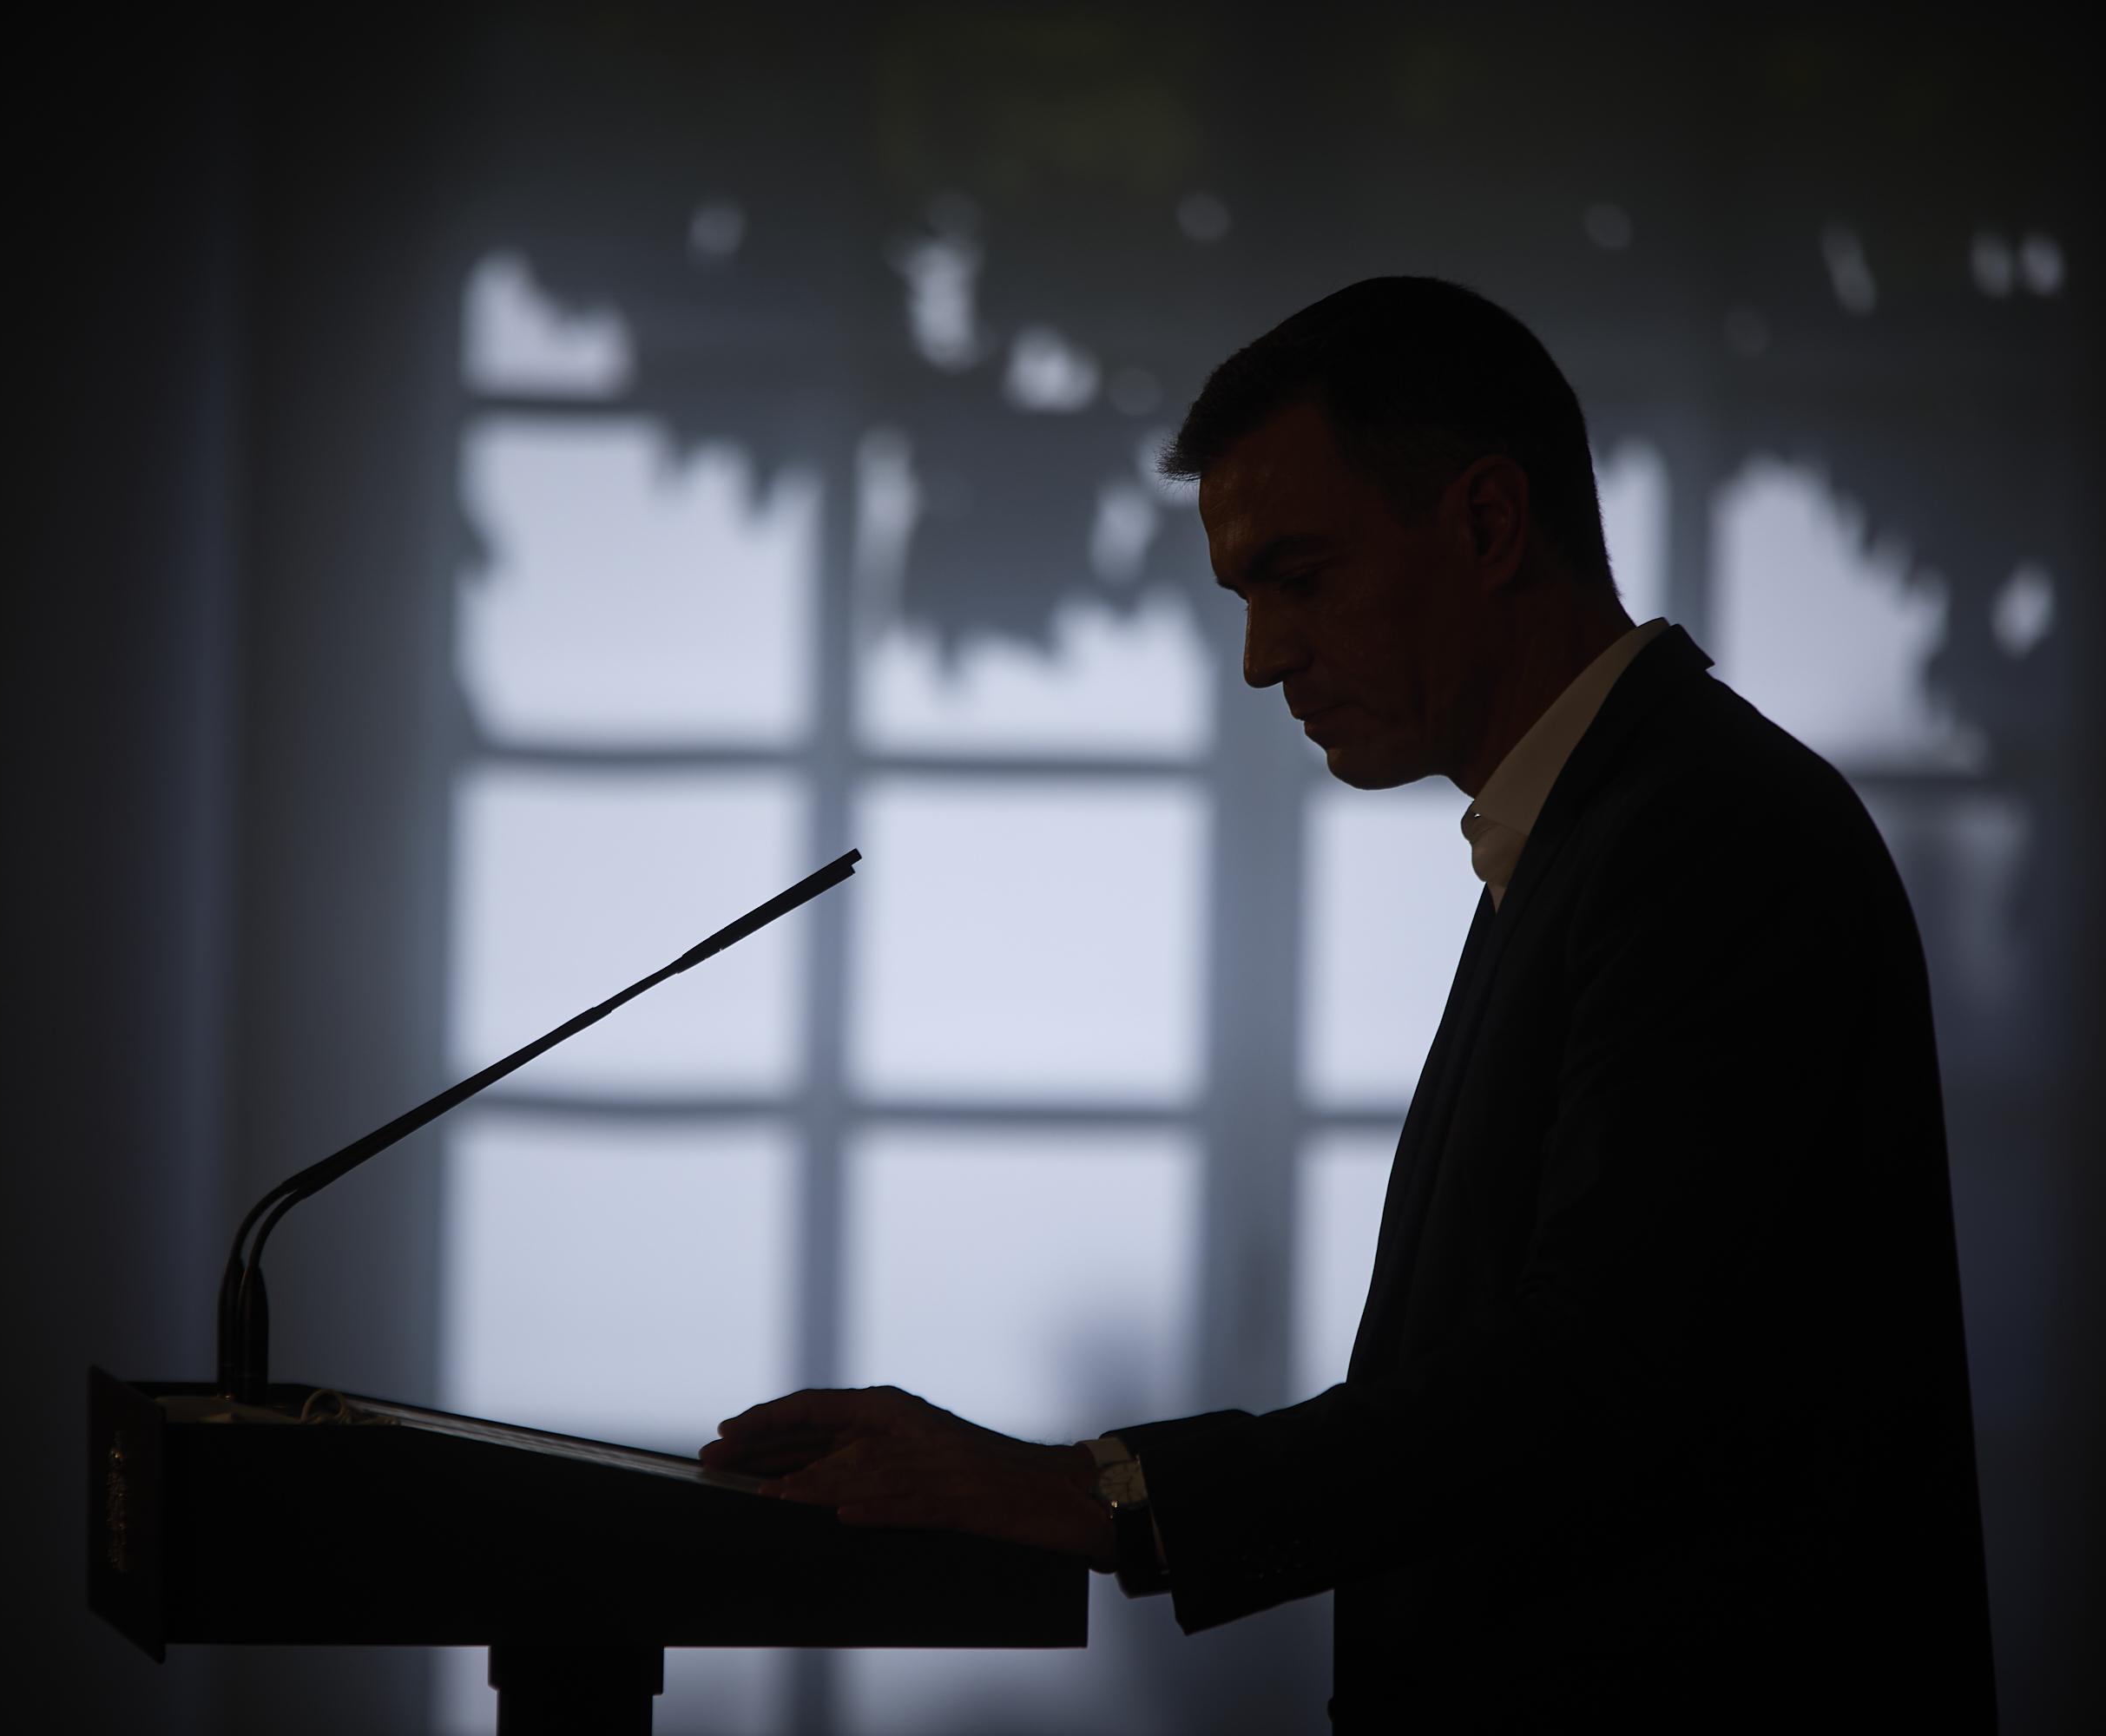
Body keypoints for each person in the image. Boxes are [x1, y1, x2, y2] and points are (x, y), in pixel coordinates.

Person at [701, 277, 1997, 1728]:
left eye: (1300, 578)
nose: (1263, 657)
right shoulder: (1600, 834)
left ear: (1490, 524)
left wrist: (1084, 1493)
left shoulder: (1704, 836)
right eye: (1246, 598)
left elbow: (1592, 1379)